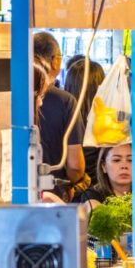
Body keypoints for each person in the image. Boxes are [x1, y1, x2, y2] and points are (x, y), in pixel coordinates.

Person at [34, 34, 88, 191]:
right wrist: (80, 180)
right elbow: (75, 166)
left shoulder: (10, 96)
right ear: (54, 61)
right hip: (56, 195)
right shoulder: (65, 101)